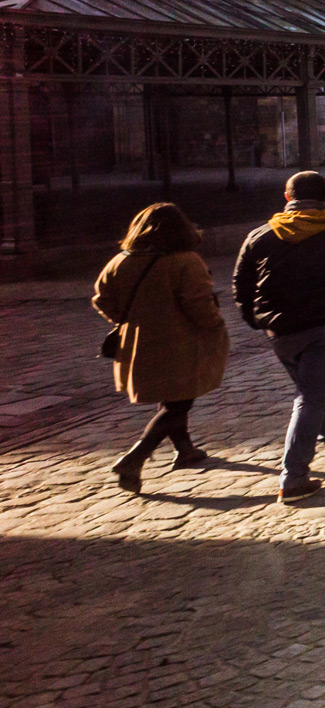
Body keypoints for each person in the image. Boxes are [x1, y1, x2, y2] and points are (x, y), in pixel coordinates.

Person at [233, 171, 325, 503]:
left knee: (312, 388)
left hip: (280, 330)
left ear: (287, 199)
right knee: (312, 395)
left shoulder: (260, 236)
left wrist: (256, 320)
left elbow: (241, 285)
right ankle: (294, 477)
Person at [92, 203, 230, 494]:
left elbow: (101, 298)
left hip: (139, 341)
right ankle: (135, 457)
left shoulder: (122, 260)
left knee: (172, 399)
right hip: (180, 341)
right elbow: (199, 304)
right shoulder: (185, 261)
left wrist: (126, 319)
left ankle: (185, 449)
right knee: (180, 402)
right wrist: (215, 324)